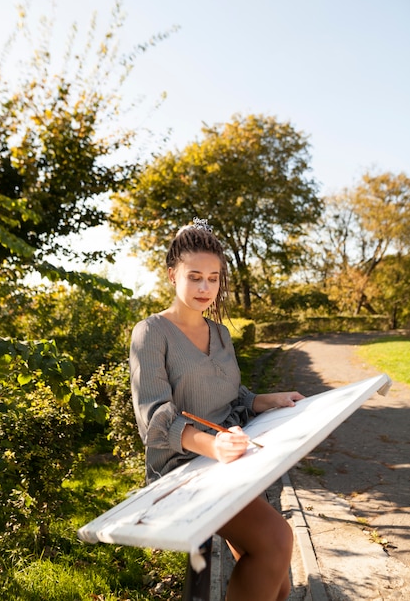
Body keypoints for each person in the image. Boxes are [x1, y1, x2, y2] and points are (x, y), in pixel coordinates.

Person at [130, 218, 304, 601]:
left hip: (228, 460)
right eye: (195, 277)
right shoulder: (151, 332)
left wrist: (268, 400)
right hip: (183, 467)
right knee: (277, 540)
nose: (206, 287)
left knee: (278, 583)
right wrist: (213, 446)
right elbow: (154, 417)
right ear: (172, 274)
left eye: (214, 277)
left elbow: (232, 396)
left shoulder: (221, 333)